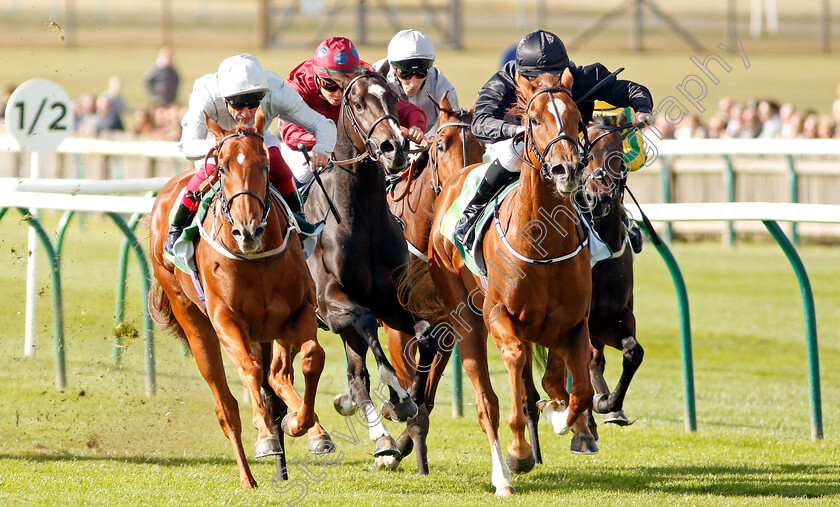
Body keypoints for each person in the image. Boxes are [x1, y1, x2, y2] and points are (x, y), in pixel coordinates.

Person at [458, 29, 653, 251]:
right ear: (522, 76)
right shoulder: (503, 81)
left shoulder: (579, 77)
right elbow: (481, 122)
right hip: (515, 139)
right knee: (513, 155)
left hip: (563, 141)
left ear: (566, 71)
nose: (546, 83)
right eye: (535, 80)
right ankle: (473, 212)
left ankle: (619, 219)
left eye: (555, 76)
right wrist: (515, 129)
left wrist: (642, 109)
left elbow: (629, 89)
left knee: (594, 162)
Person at [166, 53, 336, 254]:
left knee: (276, 161)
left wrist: (322, 148)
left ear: (262, 95)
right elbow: (187, 146)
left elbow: (321, 124)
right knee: (210, 170)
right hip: (218, 144)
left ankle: (298, 219)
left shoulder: (275, 90)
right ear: (224, 98)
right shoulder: (206, 93)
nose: (246, 113)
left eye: (254, 102)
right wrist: (224, 145)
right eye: (238, 103)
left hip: (258, 138)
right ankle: (176, 230)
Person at [279, 36, 427, 187]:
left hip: (352, 146)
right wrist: (327, 144)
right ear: (316, 78)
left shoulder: (363, 81)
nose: (338, 94)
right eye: (329, 86)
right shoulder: (299, 85)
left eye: (344, 86)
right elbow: (290, 132)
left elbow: (410, 111)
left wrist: (416, 127)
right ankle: (295, 208)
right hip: (310, 145)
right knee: (304, 171)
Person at [374, 29, 459, 134]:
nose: (413, 83)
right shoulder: (376, 77)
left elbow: (453, 124)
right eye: (405, 74)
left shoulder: (438, 80)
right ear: (393, 67)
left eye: (421, 73)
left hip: (429, 138)